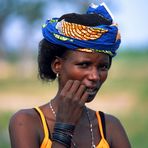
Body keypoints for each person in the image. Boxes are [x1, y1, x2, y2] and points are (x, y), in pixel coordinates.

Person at [9, 2, 131, 148]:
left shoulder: (110, 127)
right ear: (57, 65)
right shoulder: (26, 122)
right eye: (84, 65)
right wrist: (64, 126)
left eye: (103, 67)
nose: (95, 76)